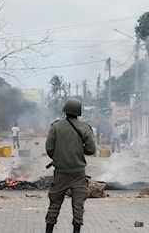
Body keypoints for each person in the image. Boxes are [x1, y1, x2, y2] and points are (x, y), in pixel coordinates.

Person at [44, 98, 96, 233]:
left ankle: (49, 230)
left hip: (60, 172)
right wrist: (78, 150)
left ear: (65, 110)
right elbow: (91, 150)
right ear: (79, 112)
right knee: (78, 206)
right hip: (78, 174)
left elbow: (49, 148)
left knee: (54, 204)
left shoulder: (55, 127)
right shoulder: (84, 127)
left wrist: (59, 157)